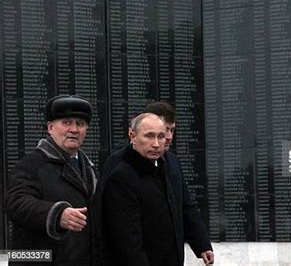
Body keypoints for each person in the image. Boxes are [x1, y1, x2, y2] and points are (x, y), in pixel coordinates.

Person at [102, 113, 213, 265]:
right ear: (132, 136)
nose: (156, 144)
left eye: (161, 137)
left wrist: (201, 243)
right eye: (149, 136)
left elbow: (185, 207)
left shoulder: (164, 167)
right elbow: (127, 240)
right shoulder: (121, 176)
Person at [4, 95, 97, 266]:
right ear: (50, 127)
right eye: (67, 123)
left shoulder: (89, 169)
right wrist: (56, 214)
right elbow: (15, 203)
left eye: (80, 124)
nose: (74, 129)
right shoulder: (32, 164)